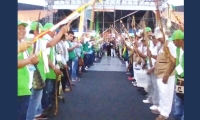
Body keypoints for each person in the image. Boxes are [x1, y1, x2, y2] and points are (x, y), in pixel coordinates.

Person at [153, 27, 177, 120]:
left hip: (167, 74)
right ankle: (162, 110)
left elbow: (174, 61)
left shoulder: (170, 44)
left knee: (166, 94)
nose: (158, 40)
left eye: (160, 38)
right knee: (162, 93)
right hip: (160, 73)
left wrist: (167, 74)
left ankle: (165, 114)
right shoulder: (162, 45)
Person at [18, 20, 39, 120]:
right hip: (19, 89)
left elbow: (29, 63)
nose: (22, 31)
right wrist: (28, 60)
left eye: (23, 28)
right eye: (19, 28)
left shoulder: (23, 44)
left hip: (25, 86)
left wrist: (33, 61)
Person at [169, 30, 184, 120]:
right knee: (178, 103)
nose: (173, 42)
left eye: (174, 40)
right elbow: (177, 63)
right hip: (179, 81)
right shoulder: (178, 50)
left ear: (179, 40)